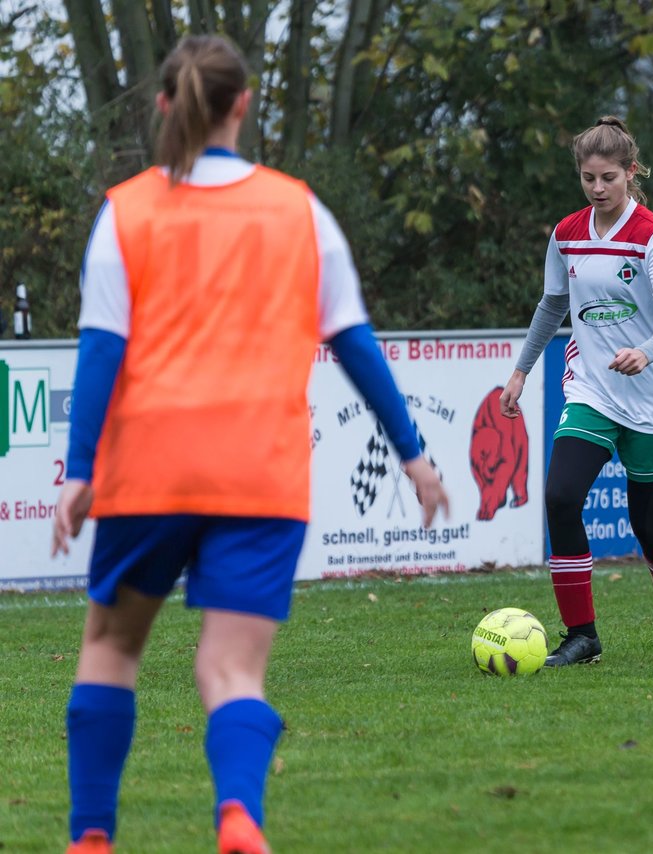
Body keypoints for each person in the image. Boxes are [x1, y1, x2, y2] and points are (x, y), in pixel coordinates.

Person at [51, 35, 448, 854]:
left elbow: (100, 352)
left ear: (164, 106)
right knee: (231, 673)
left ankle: (91, 837)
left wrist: (80, 469)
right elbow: (357, 345)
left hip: (150, 472)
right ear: (244, 103)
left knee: (111, 648)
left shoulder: (125, 211)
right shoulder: (300, 209)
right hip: (258, 477)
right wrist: (412, 455)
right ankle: (238, 817)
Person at [499, 116, 653, 667]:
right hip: (592, 388)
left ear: (630, 173)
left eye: (608, 177)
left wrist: (646, 351)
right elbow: (552, 305)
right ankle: (582, 636)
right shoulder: (567, 233)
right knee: (561, 497)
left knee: (647, 524)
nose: (596, 188)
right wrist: (520, 371)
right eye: (588, 177)